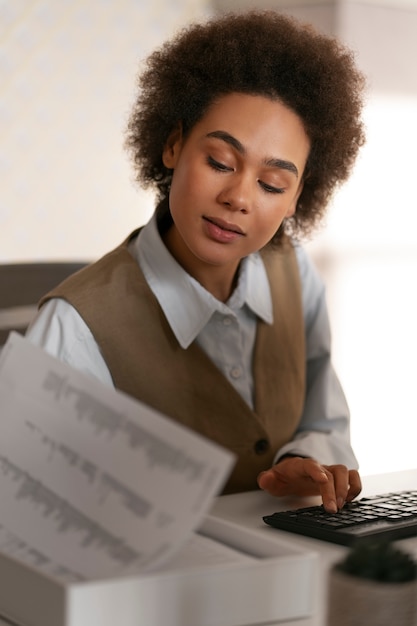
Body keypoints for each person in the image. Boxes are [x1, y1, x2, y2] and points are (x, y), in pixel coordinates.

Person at [26, 10, 365, 513]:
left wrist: (308, 460)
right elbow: (33, 512)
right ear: (173, 145)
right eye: (220, 163)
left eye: (272, 185)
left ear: (297, 198)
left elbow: (322, 416)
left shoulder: (293, 270)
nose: (239, 197)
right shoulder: (75, 329)